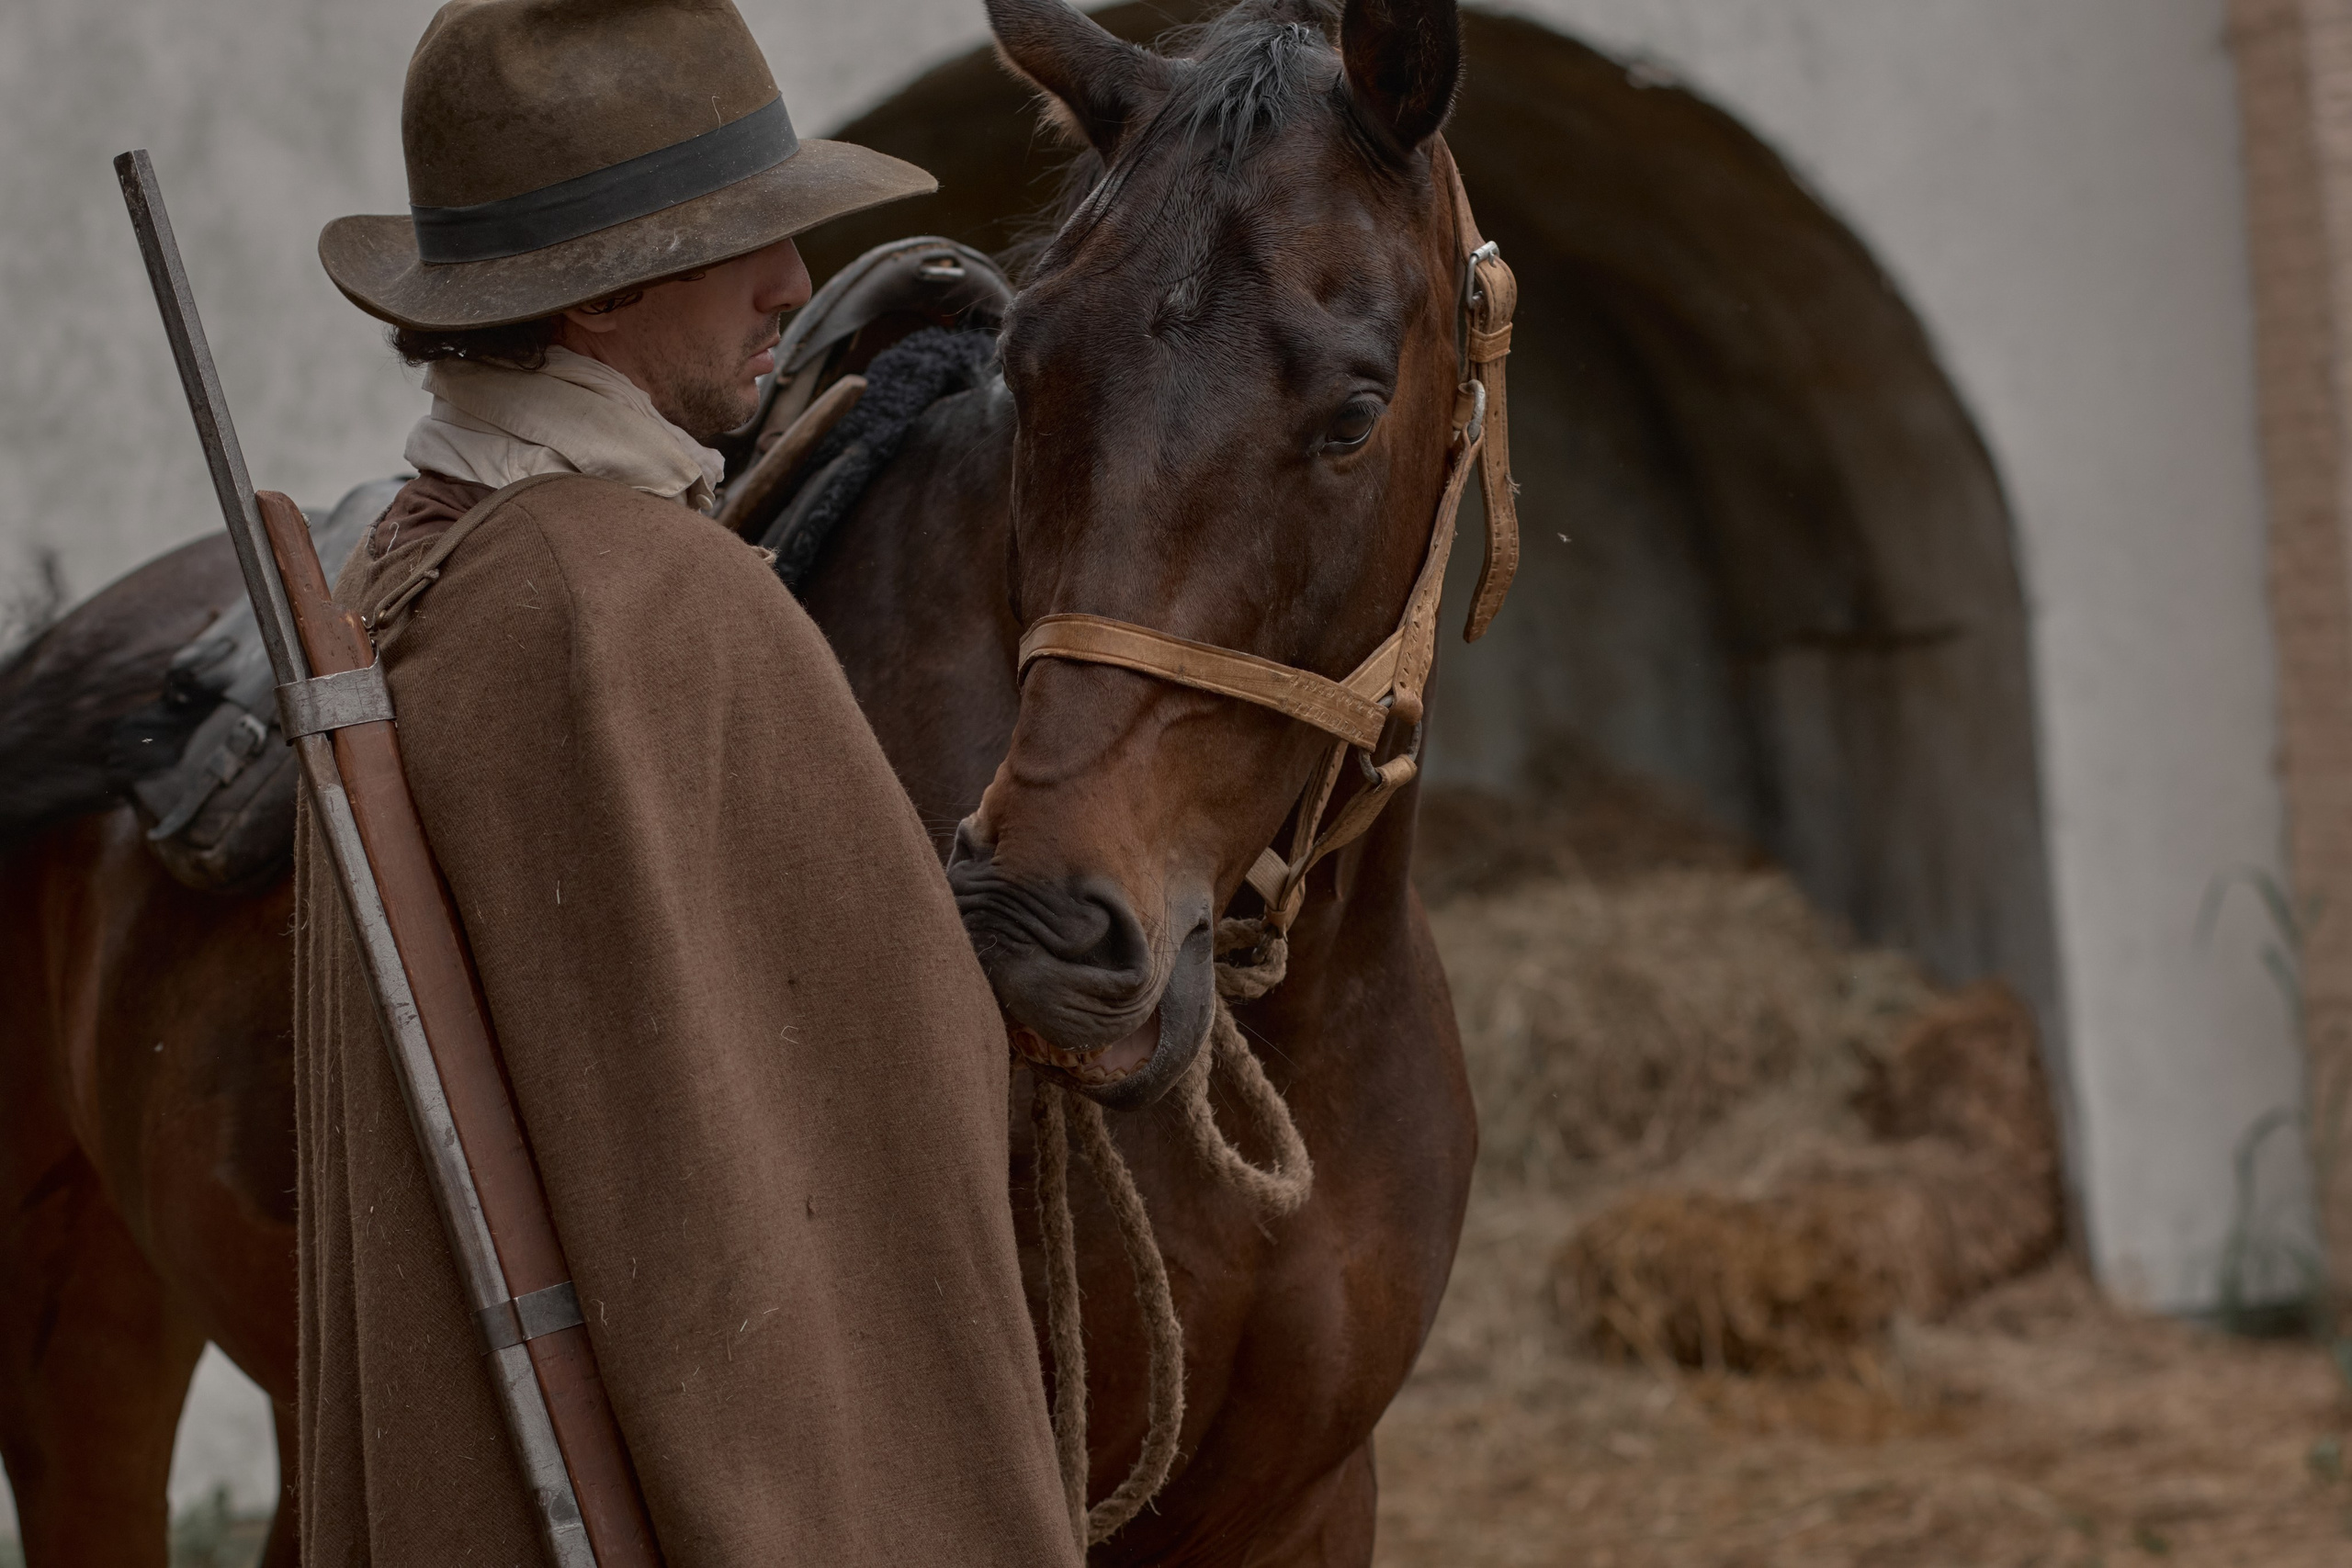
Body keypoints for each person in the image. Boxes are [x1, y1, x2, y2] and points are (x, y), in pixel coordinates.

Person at [296, 1, 1080, 1561]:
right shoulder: (648, 601)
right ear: (595, 304)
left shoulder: (414, 560)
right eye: (741, 243)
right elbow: (860, 1091)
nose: (793, 282)